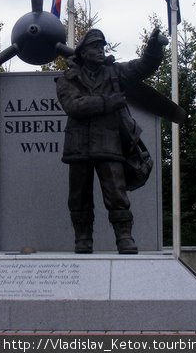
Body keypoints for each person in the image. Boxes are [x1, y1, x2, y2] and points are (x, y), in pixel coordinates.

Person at [56, 28, 164, 254]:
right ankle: (83, 238)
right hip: (78, 146)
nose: (100, 50)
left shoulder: (115, 73)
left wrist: (154, 48)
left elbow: (143, 66)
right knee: (78, 197)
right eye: (95, 46)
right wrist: (107, 103)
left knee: (117, 193)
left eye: (102, 46)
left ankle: (124, 236)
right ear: (83, 52)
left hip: (109, 143)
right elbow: (74, 106)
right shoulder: (67, 79)